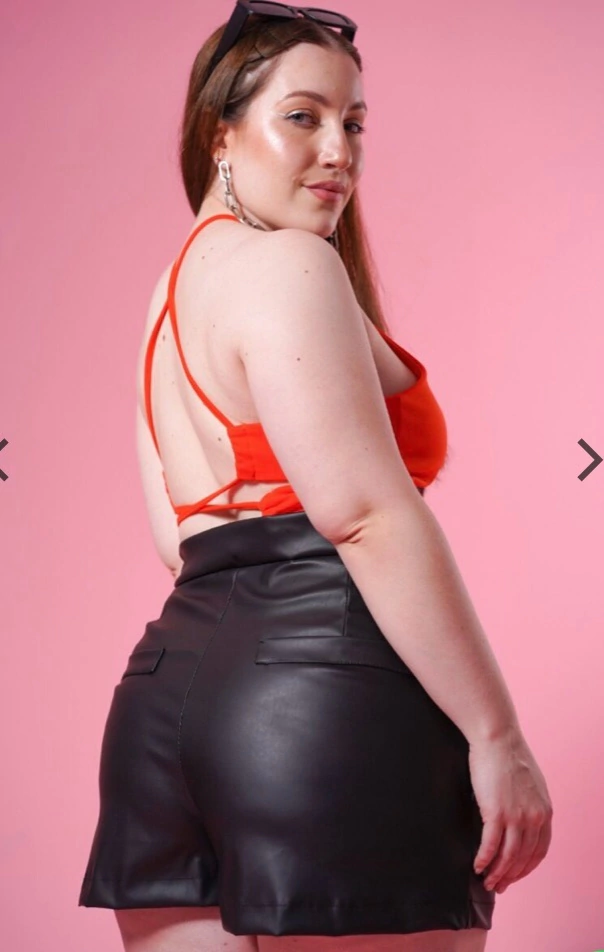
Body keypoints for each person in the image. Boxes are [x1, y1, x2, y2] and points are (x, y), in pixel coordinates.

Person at [77, 4, 553, 951]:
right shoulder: (290, 265)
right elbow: (367, 517)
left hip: (164, 713)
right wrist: (497, 735)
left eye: (355, 123)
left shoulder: (168, 299)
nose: (339, 151)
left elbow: (180, 539)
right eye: (303, 117)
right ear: (220, 133)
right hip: (321, 706)